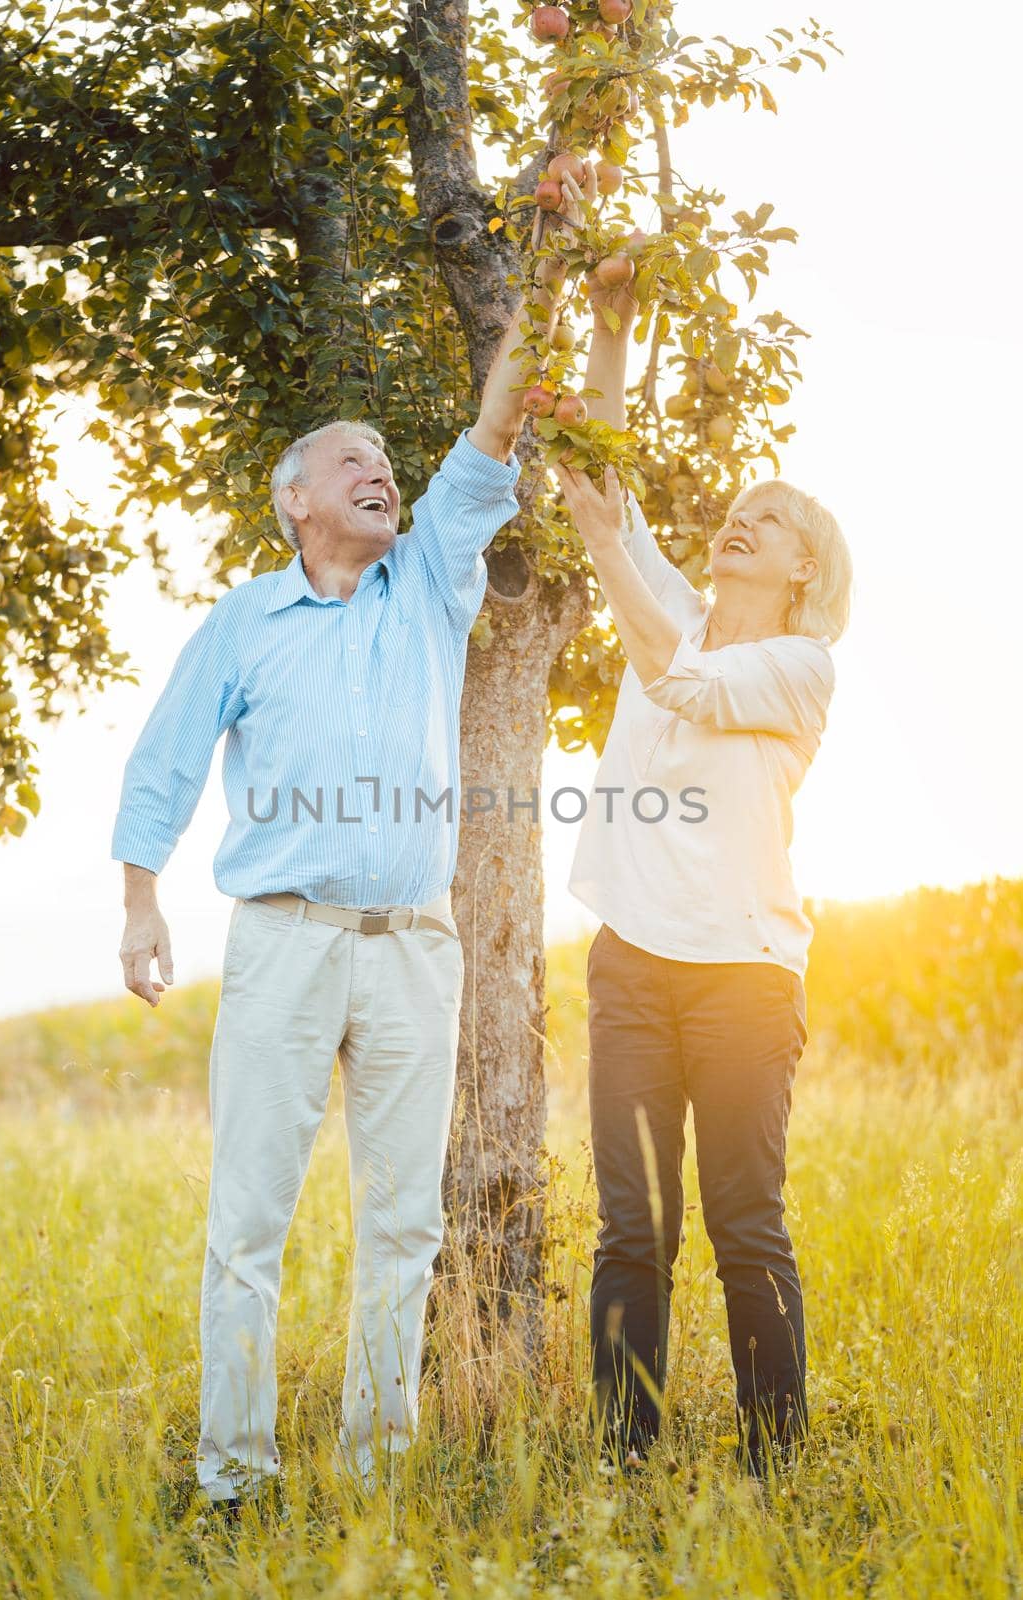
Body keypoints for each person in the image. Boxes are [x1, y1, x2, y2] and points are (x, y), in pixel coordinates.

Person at [109, 189, 583, 1509]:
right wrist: (141, 900)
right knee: (249, 1225)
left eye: (387, 457)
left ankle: (378, 1480)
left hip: (412, 956)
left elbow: (493, 428)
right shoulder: (246, 621)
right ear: (296, 501)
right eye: (351, 460)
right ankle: (232, 1481)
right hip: (283, 943)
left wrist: (548, 271)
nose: (380, 470)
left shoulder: (431, 581)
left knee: (402, 1228)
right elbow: (166, 755)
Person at [555, 264, 854, 1477]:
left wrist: (612, 562)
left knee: (744, 1227)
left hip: (743, 980)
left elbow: (672, 671)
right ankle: (628, 1460)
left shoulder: (801, 668)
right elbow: (591, 477)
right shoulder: (671, 604)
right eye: (737, 504)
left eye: (769, 516)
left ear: (802, 567)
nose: (740, 516)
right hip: (632, 964)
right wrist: (615, 330)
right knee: (633, 1231)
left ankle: (774, 1462)